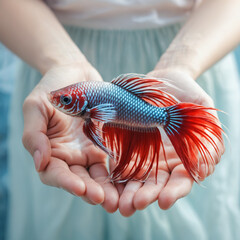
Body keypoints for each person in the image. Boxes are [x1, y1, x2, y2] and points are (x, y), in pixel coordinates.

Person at [0, 0, 240, 239]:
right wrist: (60, 62)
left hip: (199, 50)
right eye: (65, 101)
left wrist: (183, 63)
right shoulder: (88, 108)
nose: (60, 103)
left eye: (65, 102)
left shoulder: (93, 112)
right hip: (44, 45)